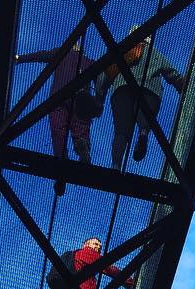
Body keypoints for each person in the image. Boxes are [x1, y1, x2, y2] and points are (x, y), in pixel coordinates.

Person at [91, 31, 185, 169]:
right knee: (144, 118)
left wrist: (99, 100)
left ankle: (116, 164)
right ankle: (143, 133)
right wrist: (182, 85)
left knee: (121, 130)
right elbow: (170, 72)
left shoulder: (122, 53)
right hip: (150, 90)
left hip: (122, 89)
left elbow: (103, 78)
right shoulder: (154, 52)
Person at [15, 40, 96, 195]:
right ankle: (82, 146)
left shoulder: (62, 52)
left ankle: (60, 169)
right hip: (81, 98)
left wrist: (20, 58)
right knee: (80, 125)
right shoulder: (87, 61)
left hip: (59, 96)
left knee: (58, 132)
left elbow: (40, 55)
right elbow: (102, 73)